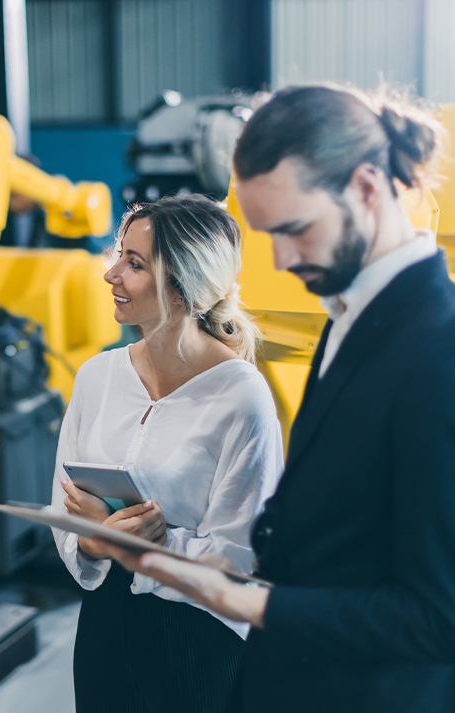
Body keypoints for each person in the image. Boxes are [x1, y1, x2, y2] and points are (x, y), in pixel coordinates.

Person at [98, 85, 455, 713]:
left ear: (368, 187)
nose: (284, 260)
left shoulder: (437, 349)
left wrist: (248, 599)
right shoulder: (353, 320)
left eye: (294, 229)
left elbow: (437, 617)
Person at [51, 194, 284, 712]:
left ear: (186, 285)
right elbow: (64, 513)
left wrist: (149, 546)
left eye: (134, 264)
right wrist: (93, 544)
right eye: (118, 255)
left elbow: (242, 559)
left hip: (198, 639)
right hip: (104, 628)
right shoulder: (97, 377)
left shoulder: (240, 396)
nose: (111, 274)